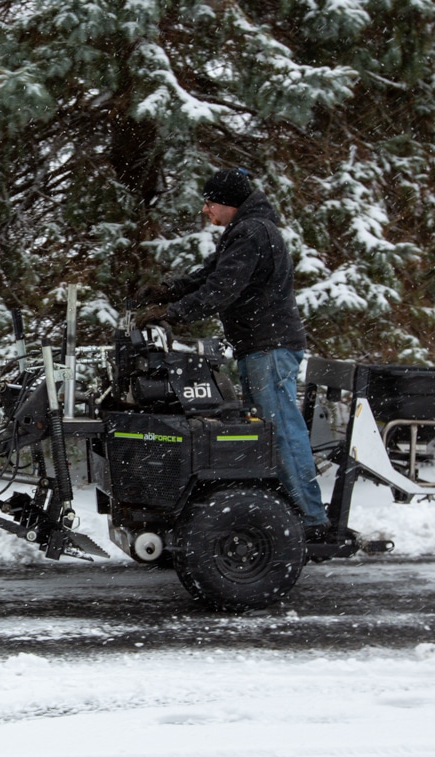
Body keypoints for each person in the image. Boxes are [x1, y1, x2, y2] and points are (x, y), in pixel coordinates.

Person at [136, 168, 332, 540]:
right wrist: (167, 291)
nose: (206, 211)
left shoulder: (252, 232)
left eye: (210, 203)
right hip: (259, 345)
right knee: (271, 433)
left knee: (281, 433)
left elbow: (221, 289)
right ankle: (293, 514)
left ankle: (311, 519)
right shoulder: (243, 231)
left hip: (269, 347)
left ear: (228, 203)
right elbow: (209, 276)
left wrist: (173, 313)